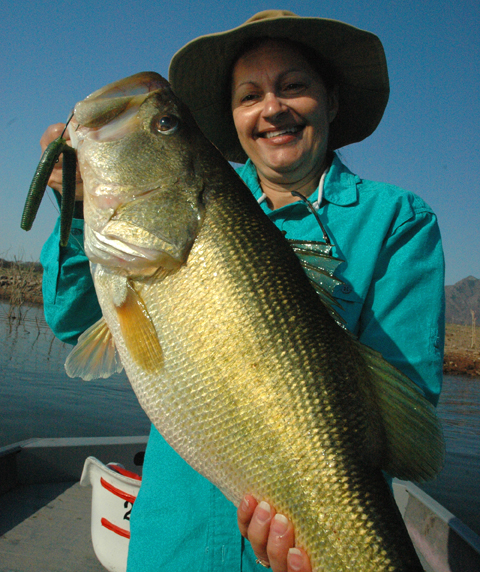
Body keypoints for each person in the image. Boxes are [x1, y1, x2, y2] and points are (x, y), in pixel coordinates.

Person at [39, 10, 445, 572]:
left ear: (329, 100)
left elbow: (404, 415)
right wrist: (78, 212)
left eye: (294, 86)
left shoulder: (400, 220)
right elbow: (70, 319)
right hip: (169, 543)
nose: (272, 107)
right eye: (249, 95)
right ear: (232, 118)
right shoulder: (166, 223)